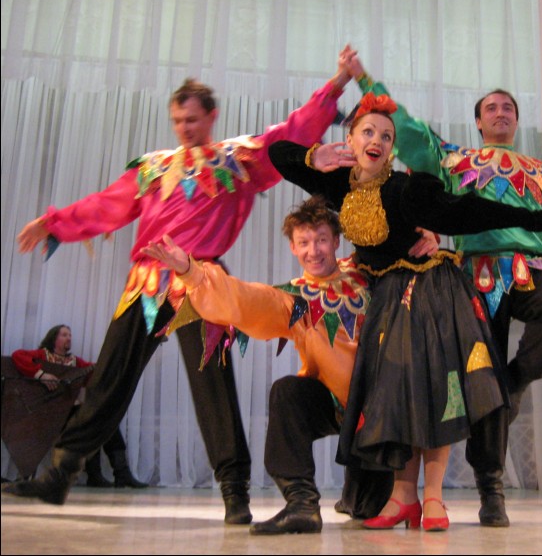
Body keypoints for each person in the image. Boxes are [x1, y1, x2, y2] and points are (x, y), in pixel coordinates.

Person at [3, 49, 354, 524]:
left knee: (213, 386)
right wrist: (55, 222)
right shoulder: (152, 168)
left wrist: (334, 85)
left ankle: (234, 493)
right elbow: (106, 204)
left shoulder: (236, 158)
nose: (185, 127)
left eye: (192, 119)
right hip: (147, 283)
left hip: (201, 283)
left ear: (210, 116)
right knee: (109, 378)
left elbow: (285, 136)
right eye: (177, 120)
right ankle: (59, 475)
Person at [347, 56, 542, 527]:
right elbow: (409, 133)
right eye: (491, 107)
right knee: (480, 371)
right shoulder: (455, 159)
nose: (500, 112)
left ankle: (511, 387)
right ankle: (490, 489)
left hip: (531, 267)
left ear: (516, 119)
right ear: (478, 121)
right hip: (472, 273)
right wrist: (369, 85)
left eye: (508, 107)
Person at [267, 91, 542, 531]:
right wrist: (315, 156)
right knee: (396, 395)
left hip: (426, 289)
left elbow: (464, 211)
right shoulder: (338, 185)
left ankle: (433, 500)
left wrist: (539, 219)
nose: (377, 140)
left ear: (393, 149)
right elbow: (277, 153)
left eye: (386, 136)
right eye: (368, 132)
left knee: (435, 391)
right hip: (386, 299)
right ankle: (402, 498)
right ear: (350, 140)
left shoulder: (404, 189)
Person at [142, 196, 438, 535]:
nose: (314, 250)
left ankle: (355, 494)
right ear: (293, 249)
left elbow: (398, 246)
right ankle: (302, 503)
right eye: (304, 243)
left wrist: (426, 232)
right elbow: (243, 298)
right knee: (287, 393)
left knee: (366, 510)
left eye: (321, 239)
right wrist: (190, 271)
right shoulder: (291, 299)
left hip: (380, 414)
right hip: (333, 403)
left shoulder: (365, 270)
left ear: (336, 241)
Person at [11, 325, 147, 489]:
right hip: (50, 413)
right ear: (54, 338)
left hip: (72, 411)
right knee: (90, 421)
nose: (69, 338)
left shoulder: (75, 362)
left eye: (70, 335)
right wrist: (41, 374)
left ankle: (119, 473)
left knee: (104, 419)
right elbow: (17, 356)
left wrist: (110, 364)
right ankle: (97, 475)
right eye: (64, 335)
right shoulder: (42, 356)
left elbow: (94, 374)